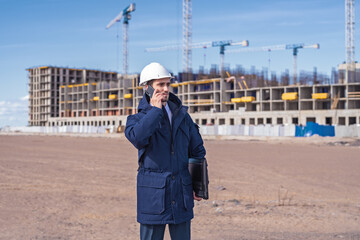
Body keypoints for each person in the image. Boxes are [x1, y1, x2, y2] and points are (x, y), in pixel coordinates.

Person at [125, 62, 206, 240]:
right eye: (160, 85)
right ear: (147, 88)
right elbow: (138, 139)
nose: (165, 89)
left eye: (168, 84)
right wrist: (155, 111)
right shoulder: (136, 119)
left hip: (181, 192)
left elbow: (197, 150)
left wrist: (199, 184)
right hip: (153, 195)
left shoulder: (183, 116)